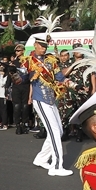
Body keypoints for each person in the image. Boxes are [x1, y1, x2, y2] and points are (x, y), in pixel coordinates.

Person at [24, 35, 71, 176]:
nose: (43, 48)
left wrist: (71, 71)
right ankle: (56, 167)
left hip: (51, 98)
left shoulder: (50, 60)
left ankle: (41, 158)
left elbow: (59, 77)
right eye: (41, 46)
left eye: (45, 46)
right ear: (35, 45)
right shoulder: (29, 61)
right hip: (40, 99)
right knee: (55, 132)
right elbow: (22, 77)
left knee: (59, 131)